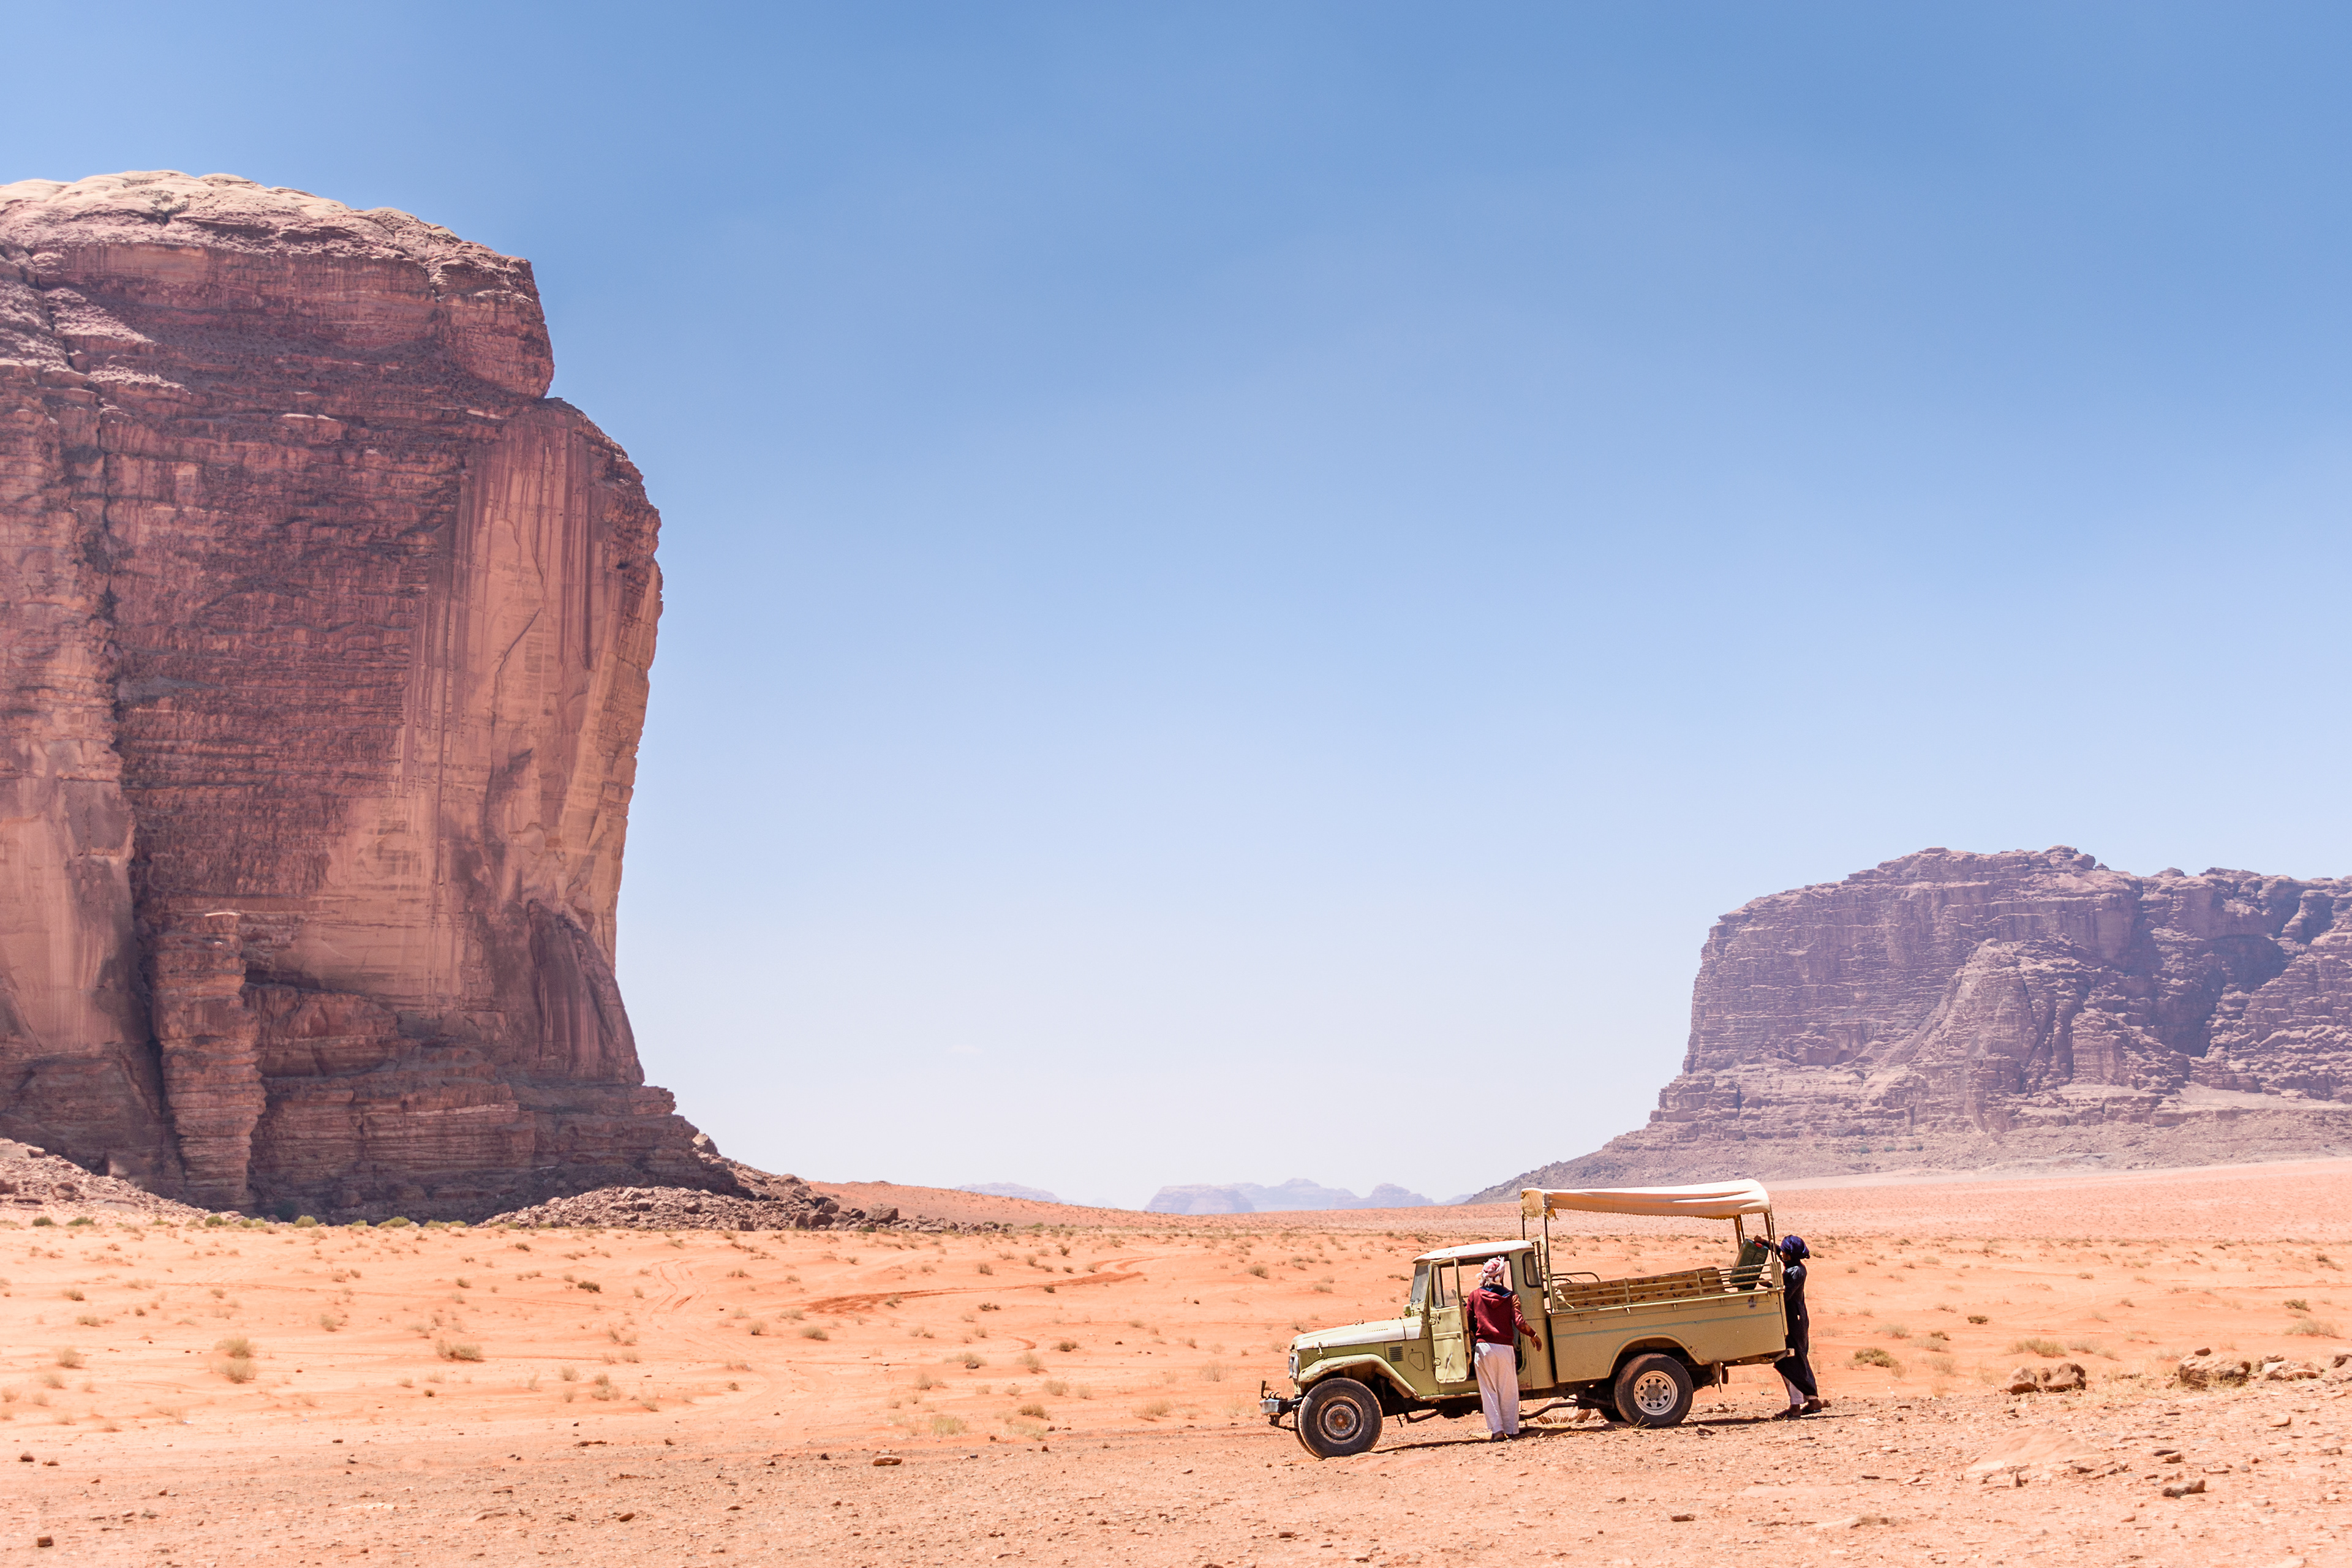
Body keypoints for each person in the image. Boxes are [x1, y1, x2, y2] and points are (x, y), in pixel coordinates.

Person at [1469, 1256, 1542, 1441]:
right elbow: (1519, 1322)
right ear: (1500, 1275)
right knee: (1508, 1391)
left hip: (1483, 1349)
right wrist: (1533, 1335)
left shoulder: (1474, 1296)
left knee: (1489, 1391)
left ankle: (1497, 1432)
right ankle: (1512, 1430)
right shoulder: (1510, 1297)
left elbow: (1468, 1322)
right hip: (1505, 1349)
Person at [1772, 1234, 1823, 1417]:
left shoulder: (1794, 1272)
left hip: (1794, 1320)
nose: (1782, 1254)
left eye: (1784, 1252)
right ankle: (1813, 1400)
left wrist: (1772, 1288)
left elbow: (1784, 1296)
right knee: (1798, 1360)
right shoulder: (1795, 1266)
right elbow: (1782, 1254)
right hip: (1798, 1318)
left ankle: (1795, 1407)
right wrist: (1769, 1245)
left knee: (1790, 1361)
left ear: (1790, 1254)